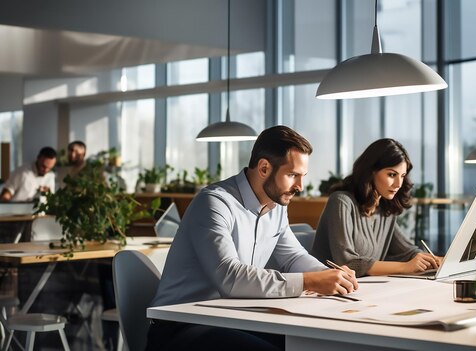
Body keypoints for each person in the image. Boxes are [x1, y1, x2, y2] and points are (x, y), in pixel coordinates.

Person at [148, 126, 359, 351]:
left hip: (230, 318)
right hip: (180, 325)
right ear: (264, 168)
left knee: (319, 342)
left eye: (302, 176)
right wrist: (310, 281)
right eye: (292, 175)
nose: (300, 186)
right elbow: (230, 277)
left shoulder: (276, 205)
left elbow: (293, 257)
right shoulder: (214, 203)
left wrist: (330, 276)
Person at [311, 139, 443, 277]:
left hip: (362, 288)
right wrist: (405, 267)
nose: (398, 183)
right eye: (392, 174)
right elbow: (348, 263)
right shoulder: (341, 202)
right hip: (323, 291)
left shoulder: (385, 209)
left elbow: (407, 252)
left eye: (402, 176)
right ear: (371, 171)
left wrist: (435, 260)